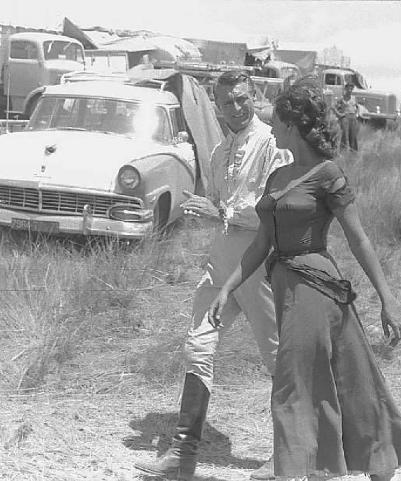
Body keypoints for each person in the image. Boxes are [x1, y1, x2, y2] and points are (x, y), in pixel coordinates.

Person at [209, 76, 401, 481]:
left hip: (316, 287)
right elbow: (260, 246)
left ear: (294, 125)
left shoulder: (327, 173)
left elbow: (358, 239)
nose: (271, 129)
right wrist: (228, 287)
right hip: (287, 285)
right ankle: (372, 463)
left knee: (293, 382)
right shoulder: (276, 178)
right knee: (348, 374)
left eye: (278, 123)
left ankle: (298, 470)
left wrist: (387, 298)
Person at [134, 71, 291, 481]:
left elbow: (271, 213)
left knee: (277, 356)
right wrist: (213, 208)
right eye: (226, 103)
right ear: (216, 107)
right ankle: (182, 454)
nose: (236, 109)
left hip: (258, 264)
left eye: (242, 100)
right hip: (221, 263)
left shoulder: (275, 146)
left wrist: (218, 211)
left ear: (254, 97)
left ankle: (286, 454)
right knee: (197, 346)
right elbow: (222, 203)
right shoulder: (221, 151)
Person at [332, 83, 359, 151]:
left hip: (353, 118)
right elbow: (333, 107)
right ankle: (343, 151)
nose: (350, 90)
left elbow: (357, 107)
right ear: (345, 89)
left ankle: (353, 152)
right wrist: (339, 115)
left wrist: (356, 114)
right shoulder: (342, 98)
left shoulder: (354, 98)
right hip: (345, 119)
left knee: (353, 135)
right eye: (348, 88)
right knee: (345, 135)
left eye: (351, 89)